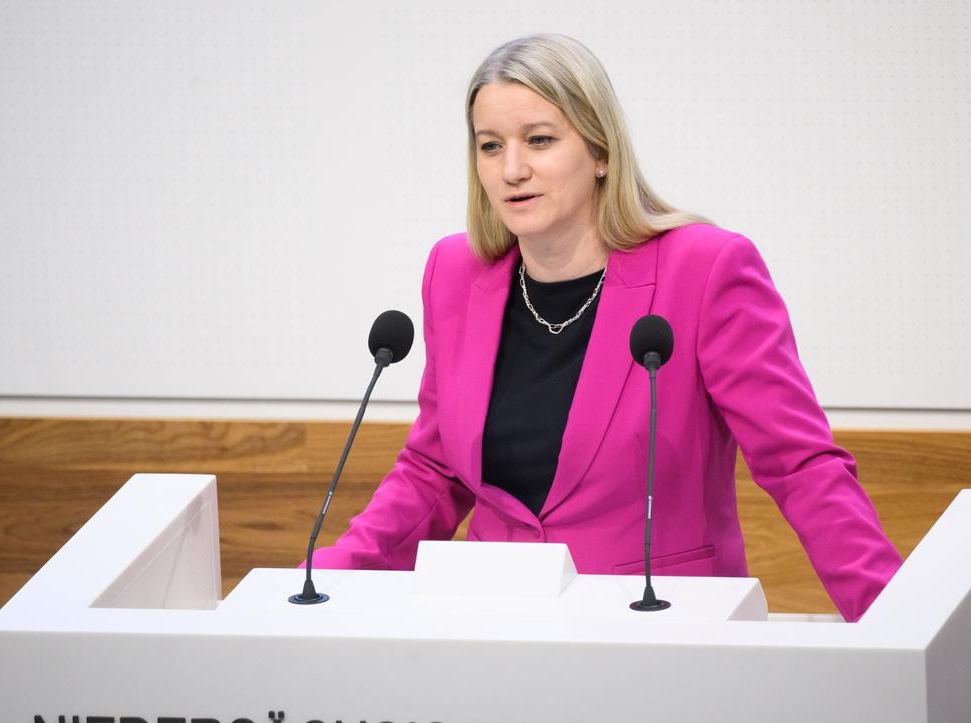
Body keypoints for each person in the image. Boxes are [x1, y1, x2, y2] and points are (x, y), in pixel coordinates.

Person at [310, 34, 902, 621]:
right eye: (490, 146)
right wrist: (320, 586)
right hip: (494, 624)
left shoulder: (704, 270)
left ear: (601, 152)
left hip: (660, 625)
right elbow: (435, 470)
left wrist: (895, 620)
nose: (512, 169)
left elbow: (799, 465)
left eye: (539, 140)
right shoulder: (456, 272)